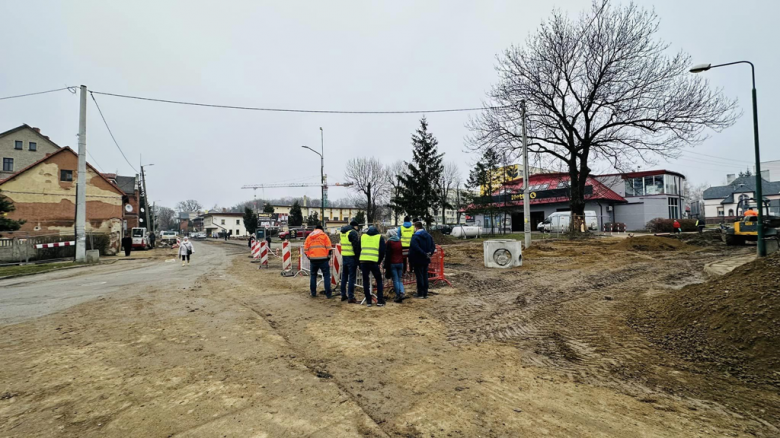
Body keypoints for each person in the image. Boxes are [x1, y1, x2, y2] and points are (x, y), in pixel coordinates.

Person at [359, 225, 386, 307]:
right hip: (374, 262)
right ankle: (380, 300)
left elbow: (358, 249)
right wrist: (379, 261)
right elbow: (382, 251)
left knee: (365, 281)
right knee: (379, 280)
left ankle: (368, 301)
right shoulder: (379, 237)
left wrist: (359, 262)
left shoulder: (363, 236)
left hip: (363, 261)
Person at [304, 224, 332, 298]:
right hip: (323, 259)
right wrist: (328, 257)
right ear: (322, 229)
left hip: (313, 260)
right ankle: (328, 294)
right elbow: (329, 248)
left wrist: (309, 257)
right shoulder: (324, 236)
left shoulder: (309, 237)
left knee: (313, 276)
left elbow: (305, 249)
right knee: (326, 276)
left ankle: (313, 293)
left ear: (315, 229)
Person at [408, 221, 434, 299]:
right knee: (425, 275)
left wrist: (423, 254)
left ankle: (420, 293)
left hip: (418, 259)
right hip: (426, 259)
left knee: (419, 276)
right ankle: (425, 293)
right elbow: (433, 246)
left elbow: (415, 248)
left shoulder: (415, 237)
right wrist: (429, 254)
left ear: (416, 227)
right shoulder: (429, 236)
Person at [339, 220, 361, 303]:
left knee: (344, 276)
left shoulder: (342, 232)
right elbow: (355, 246)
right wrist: (357, 258)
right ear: (355, 226)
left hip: (344, 256)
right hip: (351, 257)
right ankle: (351, 297)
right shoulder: (352, 232)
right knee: (352, 277)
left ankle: (343, 295)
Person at [384, 229, 405, 303]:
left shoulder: (389, 242)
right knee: (399, 279)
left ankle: (398, 295)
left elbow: (386, 253)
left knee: (395, 280)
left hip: (393, 263)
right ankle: (402, 292)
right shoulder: (399, 241)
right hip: (400, 262)